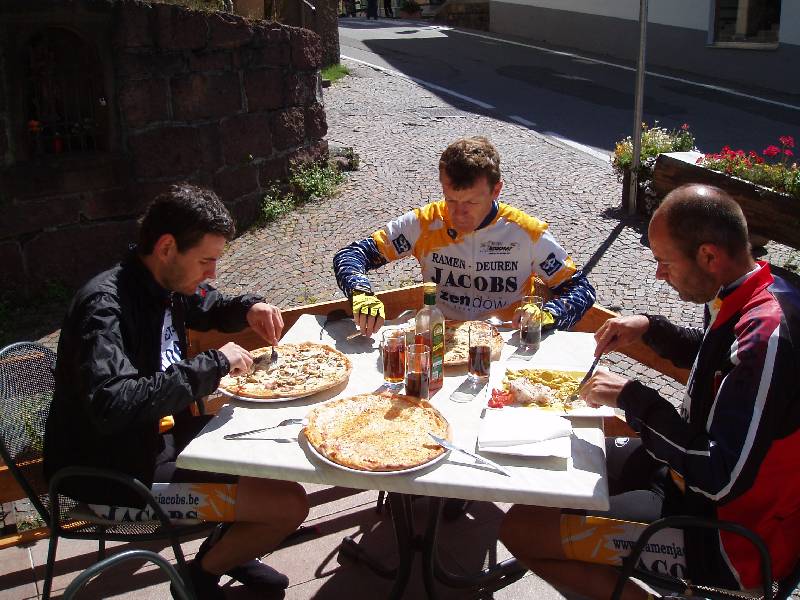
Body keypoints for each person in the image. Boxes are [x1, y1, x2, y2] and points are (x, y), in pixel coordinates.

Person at [499, 184, 800, 599]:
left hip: (728, 540)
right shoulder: (756, 288)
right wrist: (653, 328)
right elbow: (722, 362)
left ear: (709, 255)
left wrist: (631, 397)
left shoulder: (766, 335)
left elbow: (720, 478)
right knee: (569, 459)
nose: (659, 273)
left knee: (520, 529)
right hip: (681, 482)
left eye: (664, 262)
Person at [44, 183, 309, 600]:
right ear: (167, 247)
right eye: (205, 260)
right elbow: (111, 404)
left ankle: (227, 551)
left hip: (159, 444)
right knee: (290, 505)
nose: (212, 273)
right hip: (115, 478)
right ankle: (200, 577)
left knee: (273, 454)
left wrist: (248, 308)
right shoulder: (104, 307)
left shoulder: (164, 284)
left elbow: (210, 302)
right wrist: (213, 364)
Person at [333, 136, 596, 337]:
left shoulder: (525, 231)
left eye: (470, 203)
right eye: (451, 200)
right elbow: (352, 255)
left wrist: (548, 314)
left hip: (505, 339)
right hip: (441, 339)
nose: (458, 214)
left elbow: (581, 289)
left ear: (496, 190)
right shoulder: (426, 222)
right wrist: (360, 292)